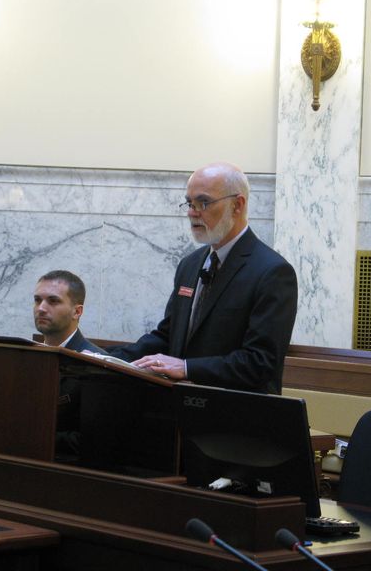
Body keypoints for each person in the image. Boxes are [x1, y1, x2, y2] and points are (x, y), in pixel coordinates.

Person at [109, 162, 298, 394]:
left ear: (237, 205)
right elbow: (168, 336)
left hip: (236, 415)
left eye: (204, 202)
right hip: (180, 407)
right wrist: (107, 358)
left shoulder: (272, 272)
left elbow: (260, 363)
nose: (192, 212)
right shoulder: (190, 264)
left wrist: (188, 368)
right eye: (189, 203)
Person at [33, 270, 104, 458]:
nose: (41, 308)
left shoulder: (97, 364)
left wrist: (26, 434)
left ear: (77, 311)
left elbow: (89, 441)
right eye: (37, 300)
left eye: (53, 301)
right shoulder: (27, 357)